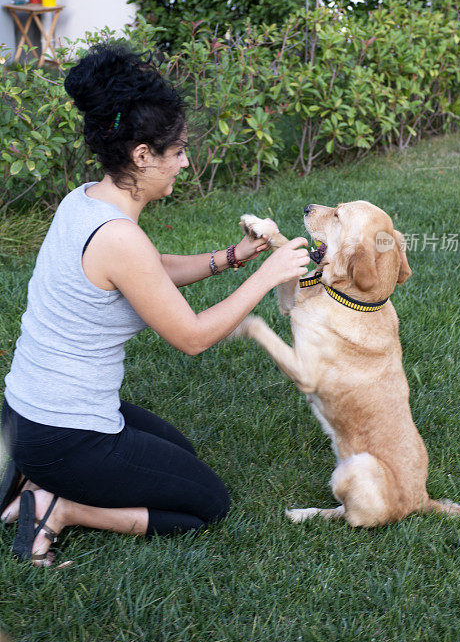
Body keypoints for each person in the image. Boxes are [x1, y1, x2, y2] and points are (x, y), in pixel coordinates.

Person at [0, 42, 310, 565]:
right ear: (142, 155)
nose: (185, 163)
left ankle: (33, 474)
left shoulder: (86, 200)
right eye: (178, 151)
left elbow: (149, 270)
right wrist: (268, 274)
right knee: (208, 504)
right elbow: (191, 337)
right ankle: (58, 506)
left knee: (179, 460)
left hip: (28, 414)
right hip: (62, 431)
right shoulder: (117, 236)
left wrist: (231, 257)